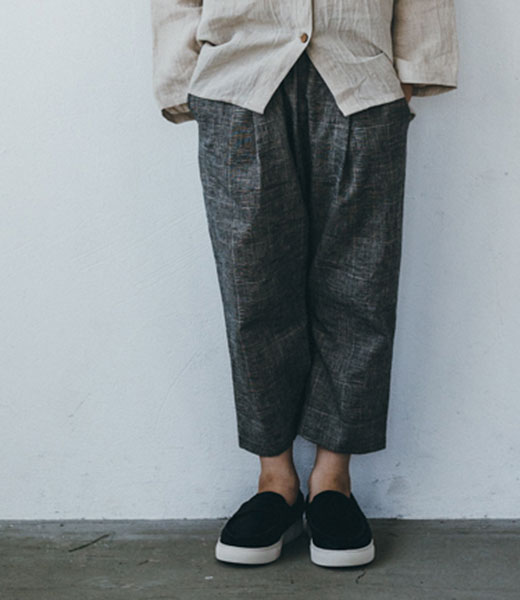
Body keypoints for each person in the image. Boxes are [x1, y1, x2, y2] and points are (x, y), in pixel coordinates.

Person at [150, 0, 458, 568]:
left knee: (361, 287)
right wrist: (181, 78)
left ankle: (332, 481)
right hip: (238, 82)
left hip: (360, 77)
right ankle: (276, 481)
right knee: (253, 288)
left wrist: (413, 71)